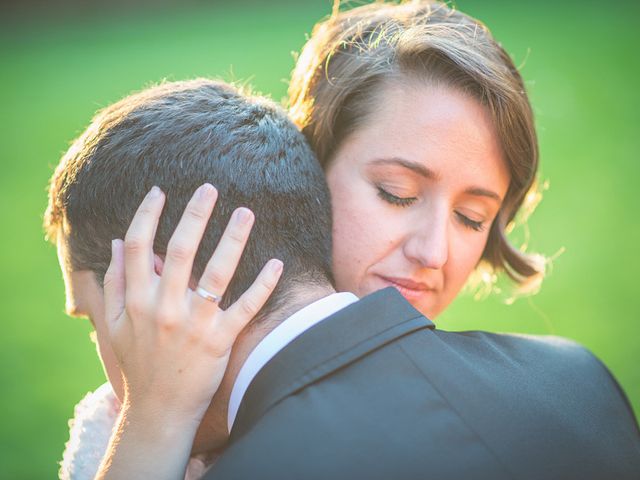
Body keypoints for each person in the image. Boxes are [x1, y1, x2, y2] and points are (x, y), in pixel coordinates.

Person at [45, 1, 640, 478]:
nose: (434, 254)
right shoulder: (578, 380)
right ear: (305, 169)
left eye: (472, 218)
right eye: (397, 193)